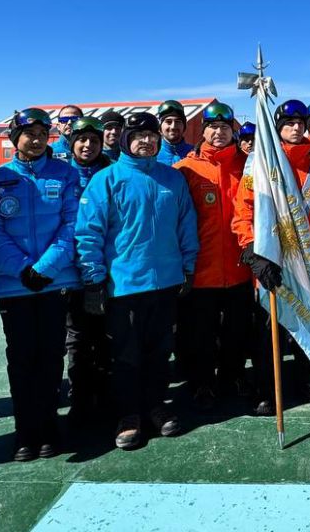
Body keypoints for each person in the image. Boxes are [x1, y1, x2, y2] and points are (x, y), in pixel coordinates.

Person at [75, 112, 199, 449]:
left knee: (159, 351)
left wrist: (188, 266)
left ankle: (156, 406)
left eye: (151, 135)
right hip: (125, 284)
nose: (145, 141)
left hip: (167, 282)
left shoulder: (172, 179)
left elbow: (186, 224)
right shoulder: (107, 179)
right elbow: (88, 232)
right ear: (126, 139)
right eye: (138, 135)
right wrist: (94, 279)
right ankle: (128, 415)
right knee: (126, 355)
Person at [232, 99, 310, 411]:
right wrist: (253, 254)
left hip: (309, 263)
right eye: (289, 123)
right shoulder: (259, 162)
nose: (296, 128)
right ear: (278, 127)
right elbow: (243, 211)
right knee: (269, 329)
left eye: (301, 123)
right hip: (270, 261)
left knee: (309, 323)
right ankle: (268, 388)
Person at [0, 108, 82, 461]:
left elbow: (73, 224)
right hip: (15, 286)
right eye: (29, 134)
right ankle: (26, 431)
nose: (37, 139)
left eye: (43, 133)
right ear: (15, 139)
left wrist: (46, 267)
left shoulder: (66, 174)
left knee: (51, 356)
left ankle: (49, 426)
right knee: (22, 358)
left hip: (53, 282)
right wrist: (22, 268)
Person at [173, 102, 253, 409]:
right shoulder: (185, 169)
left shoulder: (249, 165)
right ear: (203, 131)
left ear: (232, 130)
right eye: (212, 127)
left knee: (237, 330)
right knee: (201, 333)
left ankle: (233, 375)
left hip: (240, 266)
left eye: (224, 127)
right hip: (202, 269)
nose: (218, 133)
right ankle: (202, 382)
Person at [62, 117, 112, 418]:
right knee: (77, 339)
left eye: (94, 140)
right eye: (82, 140)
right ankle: (80, 398)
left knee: (107, 336)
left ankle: (106, 395)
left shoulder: (111, 173)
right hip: (71, 273)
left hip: (107, 270)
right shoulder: (64, 175)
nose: (88, 146)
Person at [156, 100, 193, 165]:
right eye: (168, 122)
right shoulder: (152, 154)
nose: (173, 127)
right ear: (160, 126)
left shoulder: (195, 153)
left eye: (177, 122)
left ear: (184, 125)